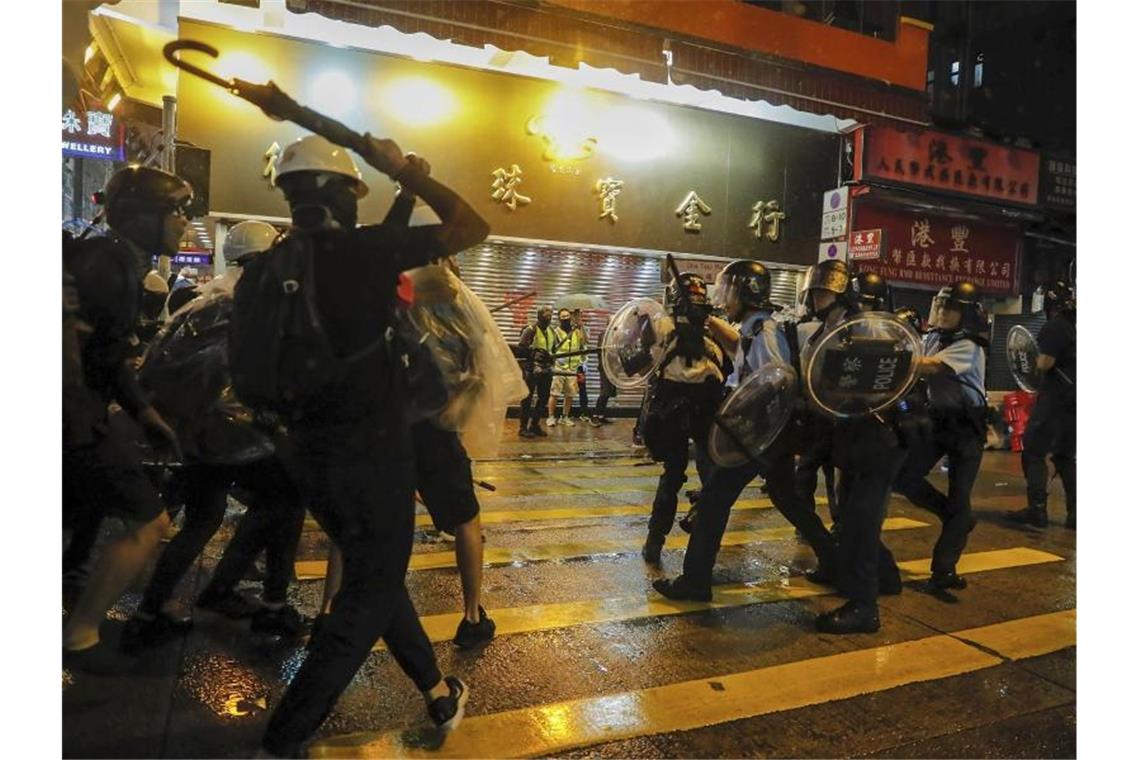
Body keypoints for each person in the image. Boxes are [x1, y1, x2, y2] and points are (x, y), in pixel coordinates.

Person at [246, 134, 488, 758]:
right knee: (369, 592)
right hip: (373, 456)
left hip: (306, 458)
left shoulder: (268, 268)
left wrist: (404, 194)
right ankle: (284, 737)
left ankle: (437, 691)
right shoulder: (363, 254)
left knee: (379, 575)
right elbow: (471, 224)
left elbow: (247, 374)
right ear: (344, 196)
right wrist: (404, 170)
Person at [123, 219, 307, 650]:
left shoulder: (204, 298)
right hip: (236, 434)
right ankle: (273, 605)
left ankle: (151, 611)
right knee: (286, 499)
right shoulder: (258, 300)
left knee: (203, 518)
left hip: (195, 431)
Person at [62, 165, 187, 671]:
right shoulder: (107, 268)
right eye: (174, 211)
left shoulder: (115, 263)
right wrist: (83, 428)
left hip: (79, 417)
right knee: (149, 523)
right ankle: (82, 634)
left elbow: (107, 359)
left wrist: (146, 414)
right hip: (71, 419)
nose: (183, 223)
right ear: (140, 216)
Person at [653, 260, 836, 602]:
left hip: (760, 433)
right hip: (770, 434)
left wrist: (748, 424)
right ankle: (834, 560)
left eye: (729, 291)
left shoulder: (764, 330)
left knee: (713, 501)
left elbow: (775, 378)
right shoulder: (755, 327)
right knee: (787, 499)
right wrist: (707, 322)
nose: (723, 299)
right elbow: (742, 350)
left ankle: (695, 581)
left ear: (745, 292)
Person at [798, 260, 905, 633]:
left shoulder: (866, 327)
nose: (816, 297)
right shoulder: (827, 328)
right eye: (814, 291)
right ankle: (886, 578)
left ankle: (864, 607)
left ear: (843, 293)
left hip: (874, 437)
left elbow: (884, 378)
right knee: (851, 516)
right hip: (848, 436)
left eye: (823, 291)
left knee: (860, 521)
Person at [895, 282, 989, 595]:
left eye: (951, 308)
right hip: (937, 421)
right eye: (940, 305)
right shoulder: (933, 336)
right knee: (904, 477)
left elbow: (930, 366)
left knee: (960, 494)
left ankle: (944, 569)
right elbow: (913, 352)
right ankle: (955, 516)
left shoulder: (969, 345)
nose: (942, 312)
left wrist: (886, 359)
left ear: (966, 314)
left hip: (966, 427)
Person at [639, 272, 730, 565]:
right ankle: (696, 538)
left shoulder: (663, 325)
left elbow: (639, 357)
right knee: (711, 479)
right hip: (703, 406)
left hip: (676, 406)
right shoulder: (713, 329)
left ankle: (656, 541)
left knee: (674, 475)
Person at [1005, 281, 1077, 530]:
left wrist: (1031, 361)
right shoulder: (1076, 327)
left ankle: (1037, 511)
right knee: (1065, 457)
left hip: (1055, 401)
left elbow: (1045, 363)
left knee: (1034, 452)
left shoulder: (1055, 327)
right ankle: (1076, 515)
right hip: (1076, 403)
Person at [517, 306, 556, 437]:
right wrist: (534, 354)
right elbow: (521, 349)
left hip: (546, 370)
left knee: (543, 398)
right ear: (539, 317)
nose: (548, 319)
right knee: (527, 399)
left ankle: (534, 425)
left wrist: (550, 359)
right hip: (531, 369)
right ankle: (523, 428)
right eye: (545, 316)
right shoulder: (530, 330)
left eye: (550, 317)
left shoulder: (551, 332)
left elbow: (553, 350)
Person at [547, 307, 586, 426]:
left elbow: (584, 343)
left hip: (572, 368)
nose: (565, 319)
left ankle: (564, 417)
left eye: (567, 316)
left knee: (570, 394)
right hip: (559, 368)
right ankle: (551, 416)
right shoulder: (555, 332)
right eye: (563, 317)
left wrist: (581, 326)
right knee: (555, 393)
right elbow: (551, 349)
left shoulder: (577, 331)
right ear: (559, 319)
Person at [572, 309, 592, 419]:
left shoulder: (585, 328)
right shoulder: (569, 329)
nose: (578, 317)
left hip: (581, 365)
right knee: (568, 389)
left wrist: (581, 327)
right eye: (576, 315)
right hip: (570, 364)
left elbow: (585, 341)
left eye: (580, 315)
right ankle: (565, 414)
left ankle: (583, 412)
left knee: (582, 388)